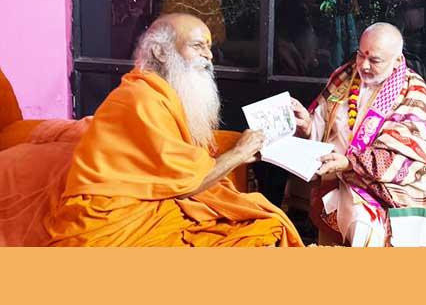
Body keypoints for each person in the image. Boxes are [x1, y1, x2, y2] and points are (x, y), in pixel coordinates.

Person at [46, 13, 302, 247]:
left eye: (209, 47)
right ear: (160, 52)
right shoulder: (140, 99)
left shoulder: (166, 93)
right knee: (259, 227)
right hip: (114, 215)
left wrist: (240, 153)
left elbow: (175, 164)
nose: (209, 56)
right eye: (197, 46)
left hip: (155, 203)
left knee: (261, 222)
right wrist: (238, 153)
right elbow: (188, 181)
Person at [292, 22, 426, 246]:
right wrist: (307, 127)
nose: (363, 65)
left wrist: (350, 163)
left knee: (369, 224)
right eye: (360, 55)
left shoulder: (412, 93)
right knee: (361, 221)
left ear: (397, 60)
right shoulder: (344, 78)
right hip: (341, 178)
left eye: (375, 60)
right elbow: (322, 129)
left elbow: (406, 154)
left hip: (390, 183)